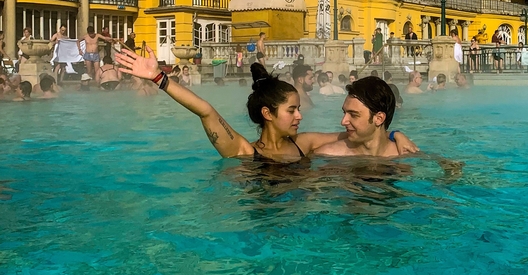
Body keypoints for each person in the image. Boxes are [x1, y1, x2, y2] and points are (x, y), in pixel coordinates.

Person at [113, 50, 419, 161]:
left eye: (298, 109)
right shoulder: (246, 152)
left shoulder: (304, 144)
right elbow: (205, 110)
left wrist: (395, 134)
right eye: (292, 110)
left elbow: (362, 136)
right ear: (267, 113)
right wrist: (157, 77)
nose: (300, 115)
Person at [317, 77, 412, 158]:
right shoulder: (328, 156)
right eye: (344, 113)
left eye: (353, 115)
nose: (343, 122)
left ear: (379, 118)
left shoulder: (405, 157)